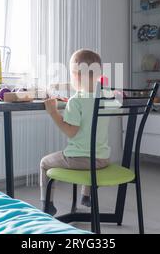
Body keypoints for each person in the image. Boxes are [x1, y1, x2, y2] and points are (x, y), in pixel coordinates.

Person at [41, 49, 110, 215]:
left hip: (80, 159)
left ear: (76, 76)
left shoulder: (76, 101)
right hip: (102, 158)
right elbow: (87, 85)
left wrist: (53, 112)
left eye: (72, 74)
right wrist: (61, 85)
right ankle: (86, 196)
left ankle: (47, 205)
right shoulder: (107, 95)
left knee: (44, 163)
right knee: (91, 145)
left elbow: (71, 132)